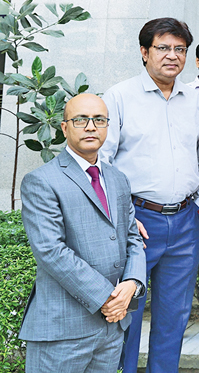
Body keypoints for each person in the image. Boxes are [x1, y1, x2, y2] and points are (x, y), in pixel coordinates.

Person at [100, 17, 199, 373]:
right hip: (137, 221)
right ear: (144, 52)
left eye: (180, 49)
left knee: (174, 315)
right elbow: (103, 162)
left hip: (185, 221)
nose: (172, 56)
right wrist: (124, 216)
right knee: (127, 311)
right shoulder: (120, 97)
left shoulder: (195, 101)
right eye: (163, 48)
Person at [19, 94, 146, 373]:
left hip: (111, 327)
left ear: (107, 126)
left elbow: (132, 237)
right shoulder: (41, 181)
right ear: (65, 128)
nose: (91, 126)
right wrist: (108, 298)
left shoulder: (118, 179)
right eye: (80, 120)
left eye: (99, 120)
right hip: (63, 330)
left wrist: (132, 284)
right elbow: (51, 251)